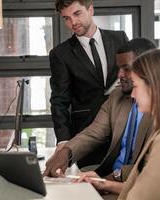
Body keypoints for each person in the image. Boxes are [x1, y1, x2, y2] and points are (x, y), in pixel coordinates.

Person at [81, 49, 160, 200]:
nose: (132, 95)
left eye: (136, 86)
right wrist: (104, 184)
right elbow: (152, 188)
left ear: (154, 88)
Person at [44, 37, 157, 188]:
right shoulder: (117, 97)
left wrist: (110, 180)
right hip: (109, 180)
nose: (120, 75)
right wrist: (66, 152)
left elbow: (152, 164)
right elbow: (94, 133)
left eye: (127, 68)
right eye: (119, 69)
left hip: (137, 186)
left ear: (148, 68)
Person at [49, 0, 128, 168]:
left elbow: (132, 75)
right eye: (66, 18)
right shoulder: (60, 54)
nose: (73, 23)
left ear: (90, 9)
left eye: (77, 14)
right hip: (87, 135)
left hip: (123, 129)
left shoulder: (119, 38)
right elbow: (59, 101)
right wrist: (63, 141)